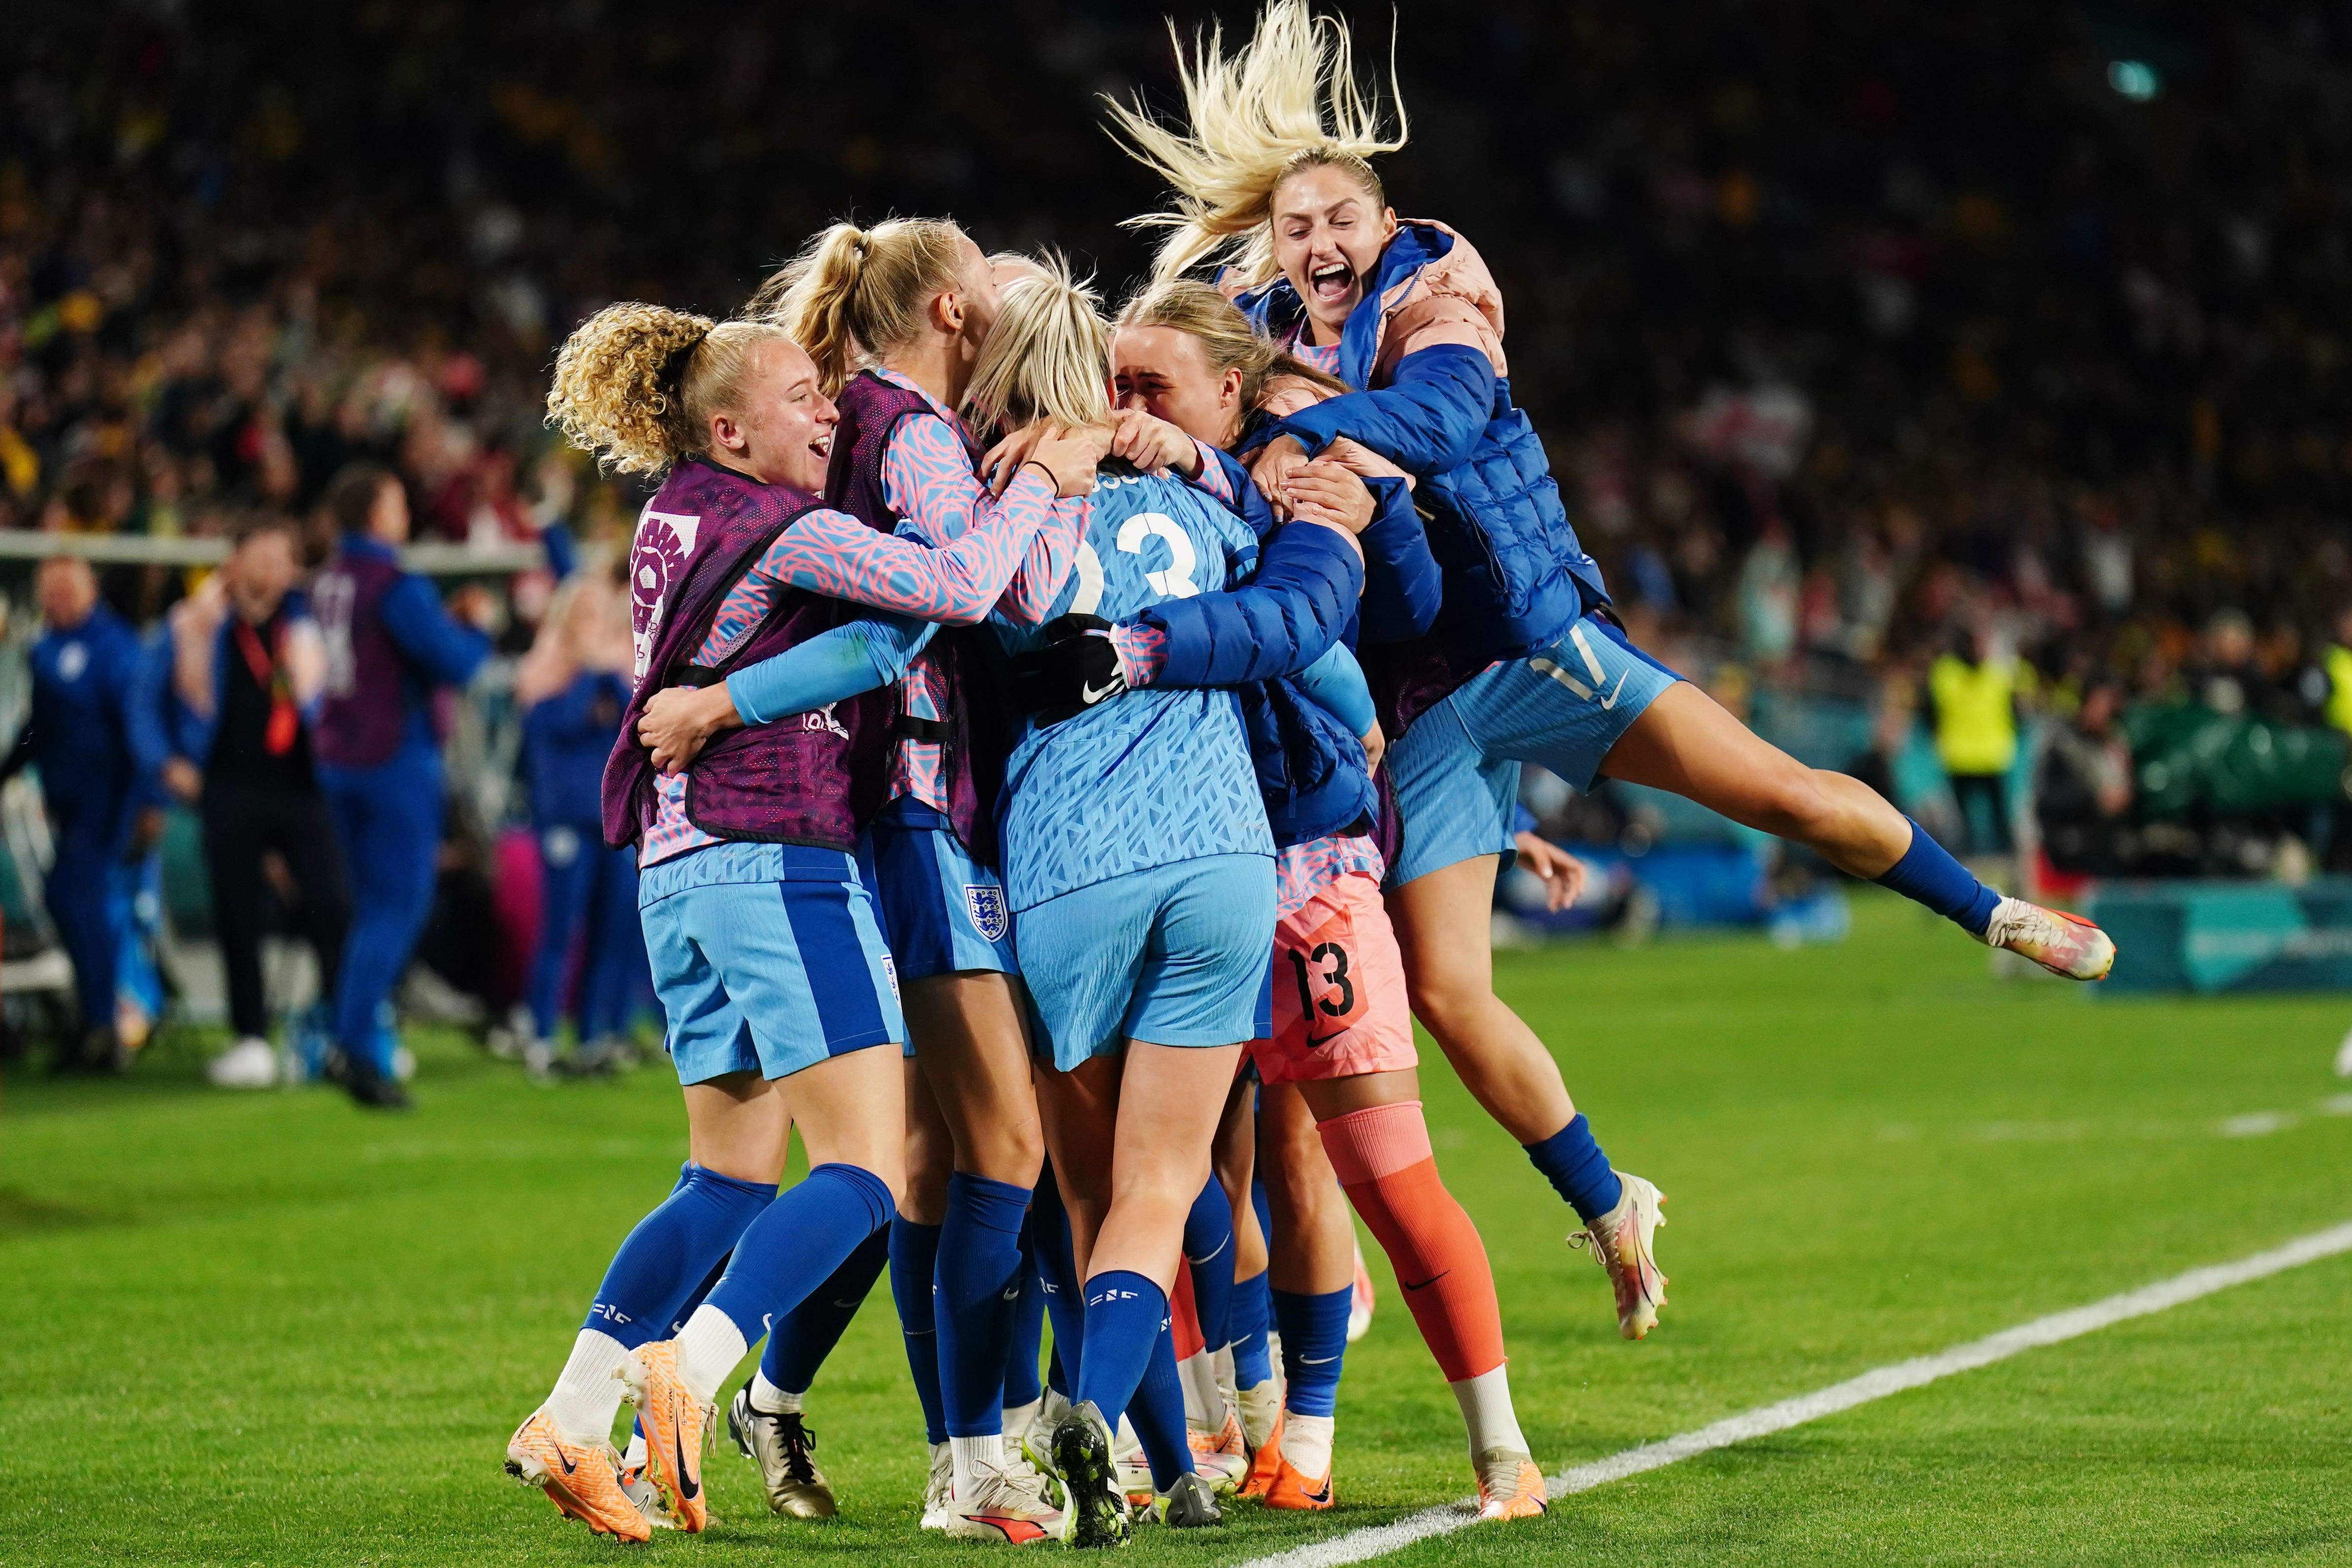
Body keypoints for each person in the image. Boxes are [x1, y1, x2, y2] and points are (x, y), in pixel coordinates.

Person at [1103, 0, 2118, 1338]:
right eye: (1296, 229)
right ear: (1273, 242)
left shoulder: (1436, 275)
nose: (1322, 246)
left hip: (1531, 645)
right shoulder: (1254, 324)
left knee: (1780, 794)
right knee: (1451, 995)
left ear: (1380, 216)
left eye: (1338, 220)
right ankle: (1605, 1200)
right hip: (1414, 708)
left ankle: (1991, 911)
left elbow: (1453, 412)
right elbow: (1183, 384)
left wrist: (1301, 428)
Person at [504, 302, 1103, 1544]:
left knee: (724, 1177)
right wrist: (1045, 477)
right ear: (730, 427)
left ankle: (567, 1418)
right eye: (798, 399)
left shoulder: (671, 511)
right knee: (868, 1174)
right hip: (776, 854)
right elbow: (949, 587)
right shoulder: (783, 523)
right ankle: (697, 1363)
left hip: (673, 865)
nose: (826, 414)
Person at [1025, 278, 1548, 1518]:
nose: (1124, 408)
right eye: (1114, 383)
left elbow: (1362, 615)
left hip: (1299, 878)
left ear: (1230, 395)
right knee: (1199, 1185)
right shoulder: (1089, 484)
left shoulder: (1297, 485)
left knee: (1348, 1176)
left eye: (1153, 387)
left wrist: (1378, 511)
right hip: (1188, 870)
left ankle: (1477, 1445)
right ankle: (1218, 1425)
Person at [310, 464, 495, 1108]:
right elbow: (453, 662)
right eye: (394, 502)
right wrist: (474, 626)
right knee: (398, 908)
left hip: (336, 756)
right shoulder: (391, 580)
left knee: (367, 912)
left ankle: (351, 1037)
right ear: (376, 513)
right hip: (391, 760)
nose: (404, 512)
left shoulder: (329, 579)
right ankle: (355, 1046)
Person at [161, 517, 351, 1090]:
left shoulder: (309, 624)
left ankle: (343, 1032)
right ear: (234, 559)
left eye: (282, 556)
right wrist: (165, 763)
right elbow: (146, 700)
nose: (273, 568)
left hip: (302, 786)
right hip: (229, 788)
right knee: (237, 915)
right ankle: (250, 1040)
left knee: (333, 906)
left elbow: (331, 699)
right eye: (261, 555)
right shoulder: (199, 624)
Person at [0, 556, 167, 1072]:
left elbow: (137, 732)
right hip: (68, 803)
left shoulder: (116, 650)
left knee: (76, 896)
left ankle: (103, 1023)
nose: (58, 600)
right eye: (50, 591)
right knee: (70, 900)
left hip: (108, 799)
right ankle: (95, 1022)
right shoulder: (45, 649)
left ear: (90, 589)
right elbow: (40, 725)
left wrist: (147, 802)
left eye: (66, 589)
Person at [511, 567, 647, 1072]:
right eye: (583, 614)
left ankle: (594, 1038)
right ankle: (541, 1035)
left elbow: (636, 722)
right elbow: (564, 723)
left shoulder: (618, 672)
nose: (593, 624)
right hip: (566, 817)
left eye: (600, 614)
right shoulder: (544, 670)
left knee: (612, 929)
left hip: (612, 821)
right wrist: (589, 672)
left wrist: (604, 671)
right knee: (559, 930)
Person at [1928, 625, 2021, 855]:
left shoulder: (1996, 673)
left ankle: (2005, 866)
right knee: (1964, 825)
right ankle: (1969, 870)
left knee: (2000, 820)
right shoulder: (1946, 673)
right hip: (1962, 757)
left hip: (1990, 755)